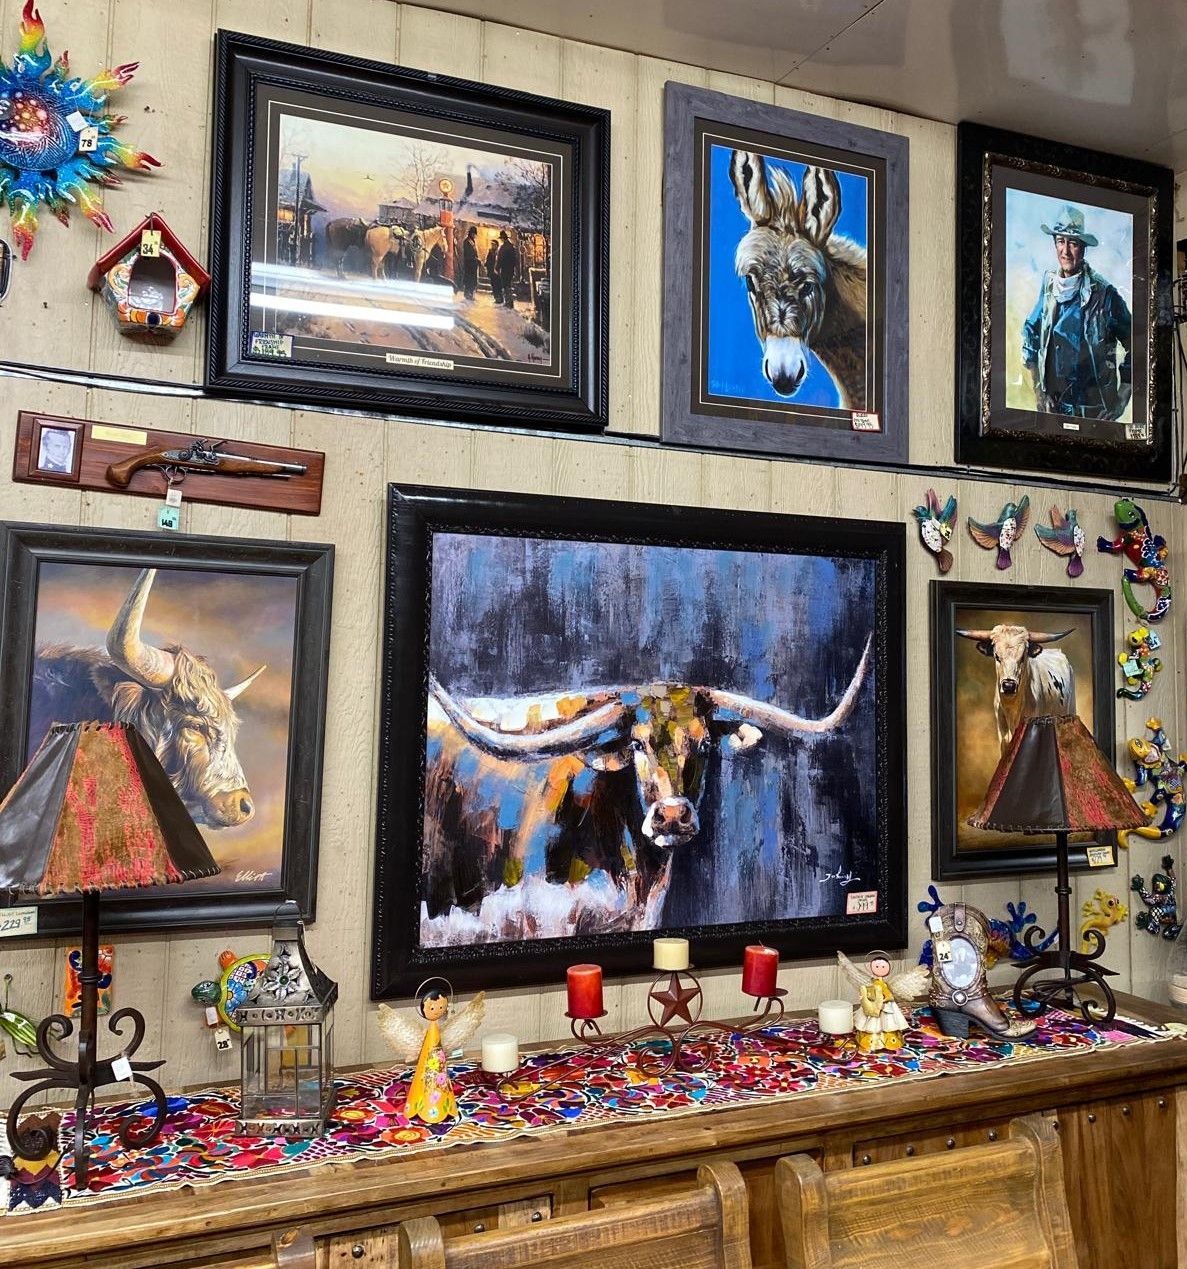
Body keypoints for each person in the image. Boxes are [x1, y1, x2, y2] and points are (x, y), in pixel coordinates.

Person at [1020, 204, 1132, 421]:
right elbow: (1030, 332)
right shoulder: (1049, 286)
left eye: (1072, 243)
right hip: (1055, 412)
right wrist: (1039, 391)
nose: (1066, 251)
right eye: (1060, 241)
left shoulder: (1105, 295)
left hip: (1095, 414)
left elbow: (1138, 343)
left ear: (1083, 248)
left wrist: (1122, 397)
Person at [496, 230, 519, 310]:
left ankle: (508, 302)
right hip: (510, 270)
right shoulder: (511, 247)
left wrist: (497, 268)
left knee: (505, 285)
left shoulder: (503, 248)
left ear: (503, 239)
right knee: (508, 285)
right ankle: (509, 302)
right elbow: (515, 260)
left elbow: (500, 259)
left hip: (505, 269)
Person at [461, 225, 479, 301]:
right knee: (469, 279)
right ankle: (467, 293)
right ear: (471, 233)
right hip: (469, 263)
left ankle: (470, 293)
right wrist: (474, 258)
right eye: (473, 234)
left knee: (472, 280)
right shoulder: (467, 241)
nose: (474, 235)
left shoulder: (472, 241)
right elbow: (468, 253)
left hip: (473, 264)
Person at [485, 238, 502, 304]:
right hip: (491, 271)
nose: (492, 246)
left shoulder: (499, 252)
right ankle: (496, 297)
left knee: (498, 285)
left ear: (497, 245)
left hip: (497, 271)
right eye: (492, 245)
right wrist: (487, 265)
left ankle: (499, 298)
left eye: (494, 245)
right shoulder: (490, 251)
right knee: (493, 285)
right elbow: (488, 260)